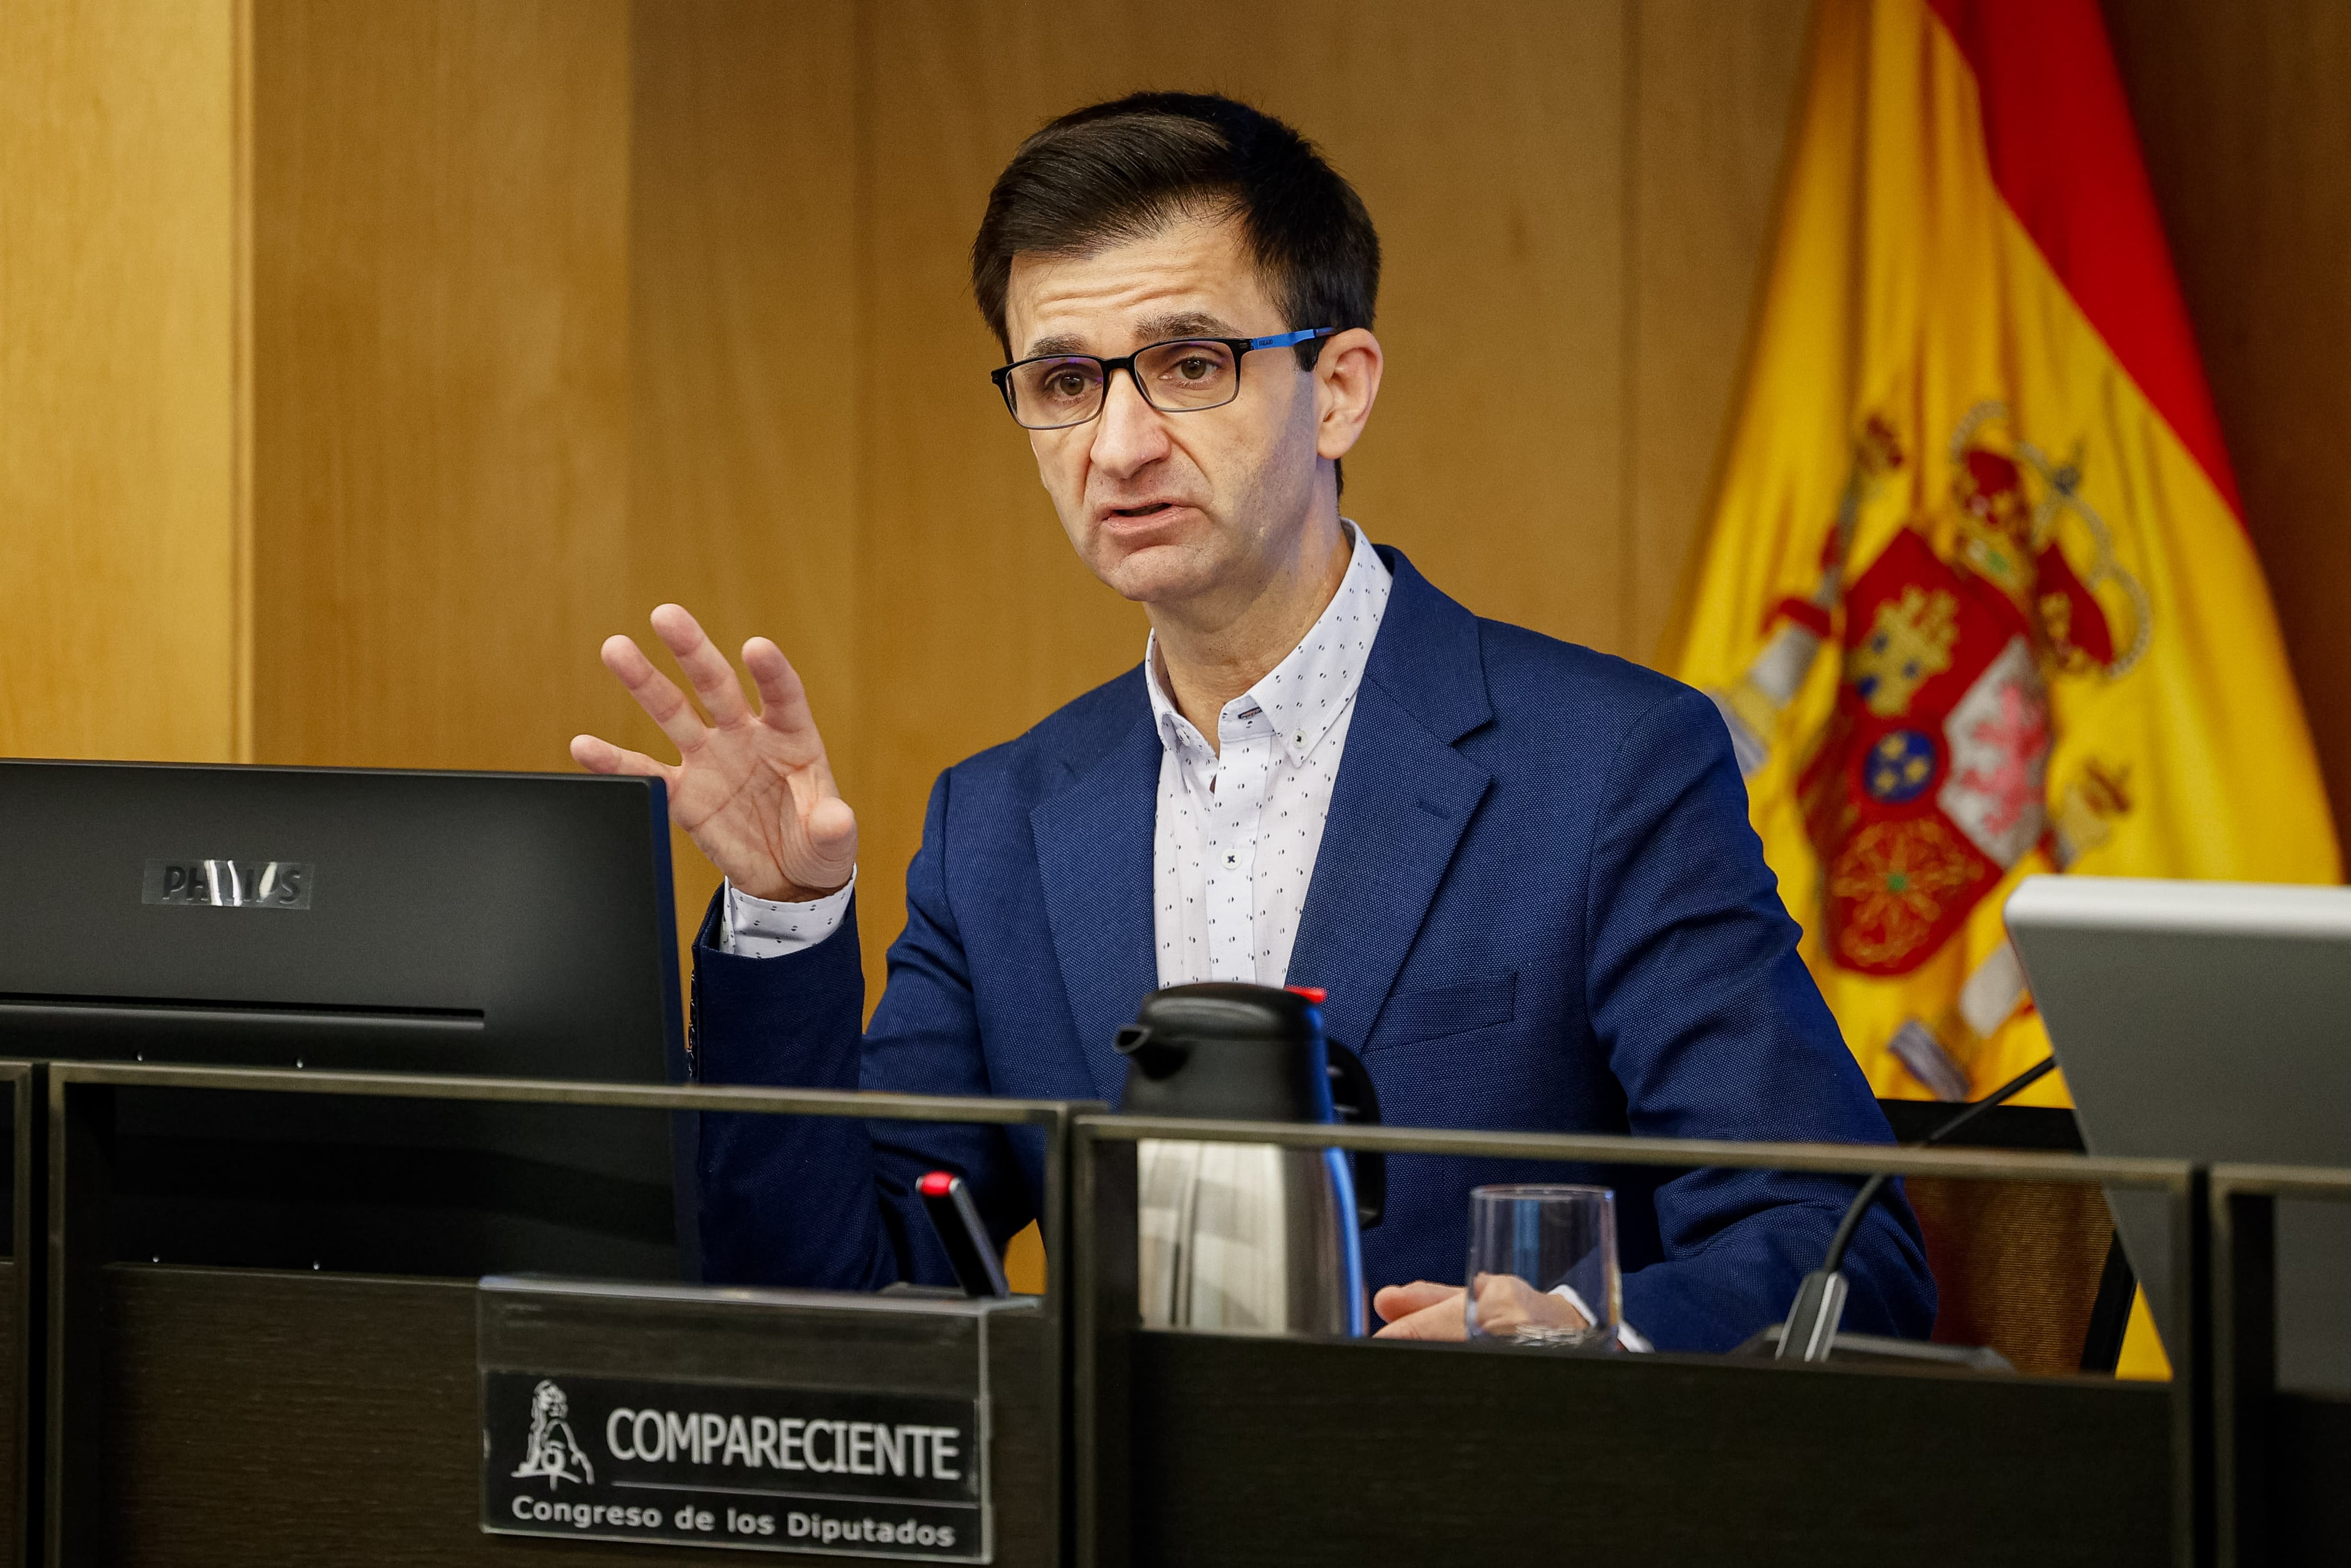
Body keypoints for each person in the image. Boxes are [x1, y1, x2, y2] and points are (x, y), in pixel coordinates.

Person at [571, 92, 1934, 1352]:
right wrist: (786, 918)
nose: (1116, 446)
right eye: (1061, 384)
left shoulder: (1606, 766)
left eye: (1187, 363)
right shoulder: (995, 822)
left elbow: (1832, 1251)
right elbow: (829, 1299)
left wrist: (1583, 1338)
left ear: (1338, 387)